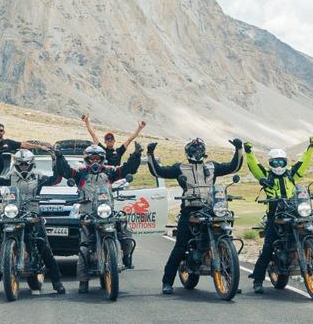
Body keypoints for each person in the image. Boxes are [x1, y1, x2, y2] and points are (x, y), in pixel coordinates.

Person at [147, 136, 244, 294]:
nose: (197, 152)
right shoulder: (181, 167)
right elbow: (159, 171)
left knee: (224, 235)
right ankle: (167, 282)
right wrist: (150, 154)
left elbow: (234, 167)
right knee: (180, 246)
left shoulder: (212, 167)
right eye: (194, 149)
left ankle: (230, 280)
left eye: (200, 149)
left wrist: (239, 149)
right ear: (188, 152)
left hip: (211, 208)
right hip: (190, 210)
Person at [55, 143, 143, 293]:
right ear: (87, 160)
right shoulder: (81, 174)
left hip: (107, 212)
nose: (95, 162)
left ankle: (126, 257)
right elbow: (65, 171)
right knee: (84, 246)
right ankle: (83, 281)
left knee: (126, 232)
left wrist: (136, 155)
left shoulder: (110, 173)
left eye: (98, 159)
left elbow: (127, 169)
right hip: (88, 215)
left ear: (102, 159)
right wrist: (59, 157)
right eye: (92, 159)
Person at [0, 148, 66, 295]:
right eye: (20, 164)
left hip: (32, 216)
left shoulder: (38, 176)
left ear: (31, 163)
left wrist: (55, 161)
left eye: (26, 164)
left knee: (43, 247)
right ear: (16, 164)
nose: (23, 166)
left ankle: (56, 282)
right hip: (13, 214)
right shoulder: (11, 176)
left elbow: (56, 179)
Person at [245, 136, 313, 293]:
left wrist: (310, 147)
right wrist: (248, 151)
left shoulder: (292, 175)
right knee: (268, 246)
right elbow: (254, 165)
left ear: (285, 162)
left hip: (293, 212)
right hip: (275, 216)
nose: (278, 165)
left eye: (281, 162)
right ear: (270, 163)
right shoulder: (265, 175)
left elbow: (303, 163)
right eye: (275, 162)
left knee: (311, 228)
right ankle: (258, 280)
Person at [80, 113, 147, 268]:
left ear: (114, 141)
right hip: (98, 186)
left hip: (113, 182)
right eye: (107, 139)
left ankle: (126, 254)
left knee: (124, 227)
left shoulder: (118, 151)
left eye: (111, 139)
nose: (109, 141)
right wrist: (87, 122)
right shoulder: (99, 152)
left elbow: (129, 140)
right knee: (85, 234)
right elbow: (93, 134)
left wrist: (139, 128)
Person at [0, 96, 48, 177]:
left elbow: (24, 145)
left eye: (1, 130)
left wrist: (40, 147)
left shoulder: (8, 143)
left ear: (4, 132)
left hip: (5, 175)